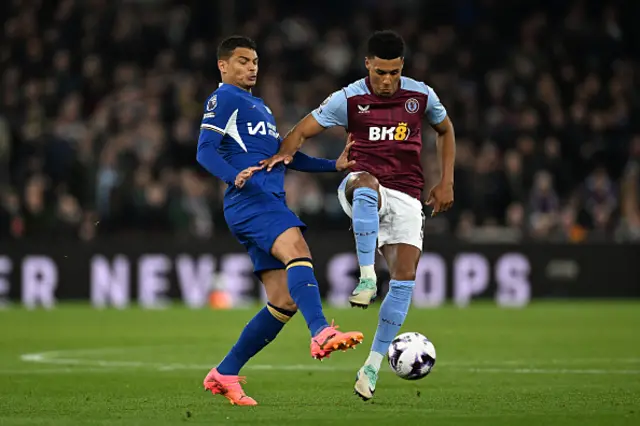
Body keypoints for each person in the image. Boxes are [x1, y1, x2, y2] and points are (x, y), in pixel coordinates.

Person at [261, 30, 456, 401]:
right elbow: (301, 131)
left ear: (402, 68)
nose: (387, 80)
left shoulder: (421, 95)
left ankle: (372, 367)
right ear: (368, 64)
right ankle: (366, 277)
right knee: (365, 184)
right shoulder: (348, 98)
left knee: (404, 278)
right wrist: (280, 158)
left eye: (394, 73)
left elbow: (445, 130)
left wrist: (446, 181)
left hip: (408, 194)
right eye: (380, 71)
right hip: (361, 184)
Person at [196, 35, 364, 406]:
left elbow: (284, 157)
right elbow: (204, 150)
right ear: (223, 65)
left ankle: (224, 372)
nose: (251, 66)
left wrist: (332, 166)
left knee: (284, 300)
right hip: (250, 200)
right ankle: (320, 331)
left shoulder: (259, 106)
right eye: (242, 61)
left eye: (254, 60)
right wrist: (232, 176)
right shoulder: (223, 98)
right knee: (297, 248)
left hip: (265, 199)